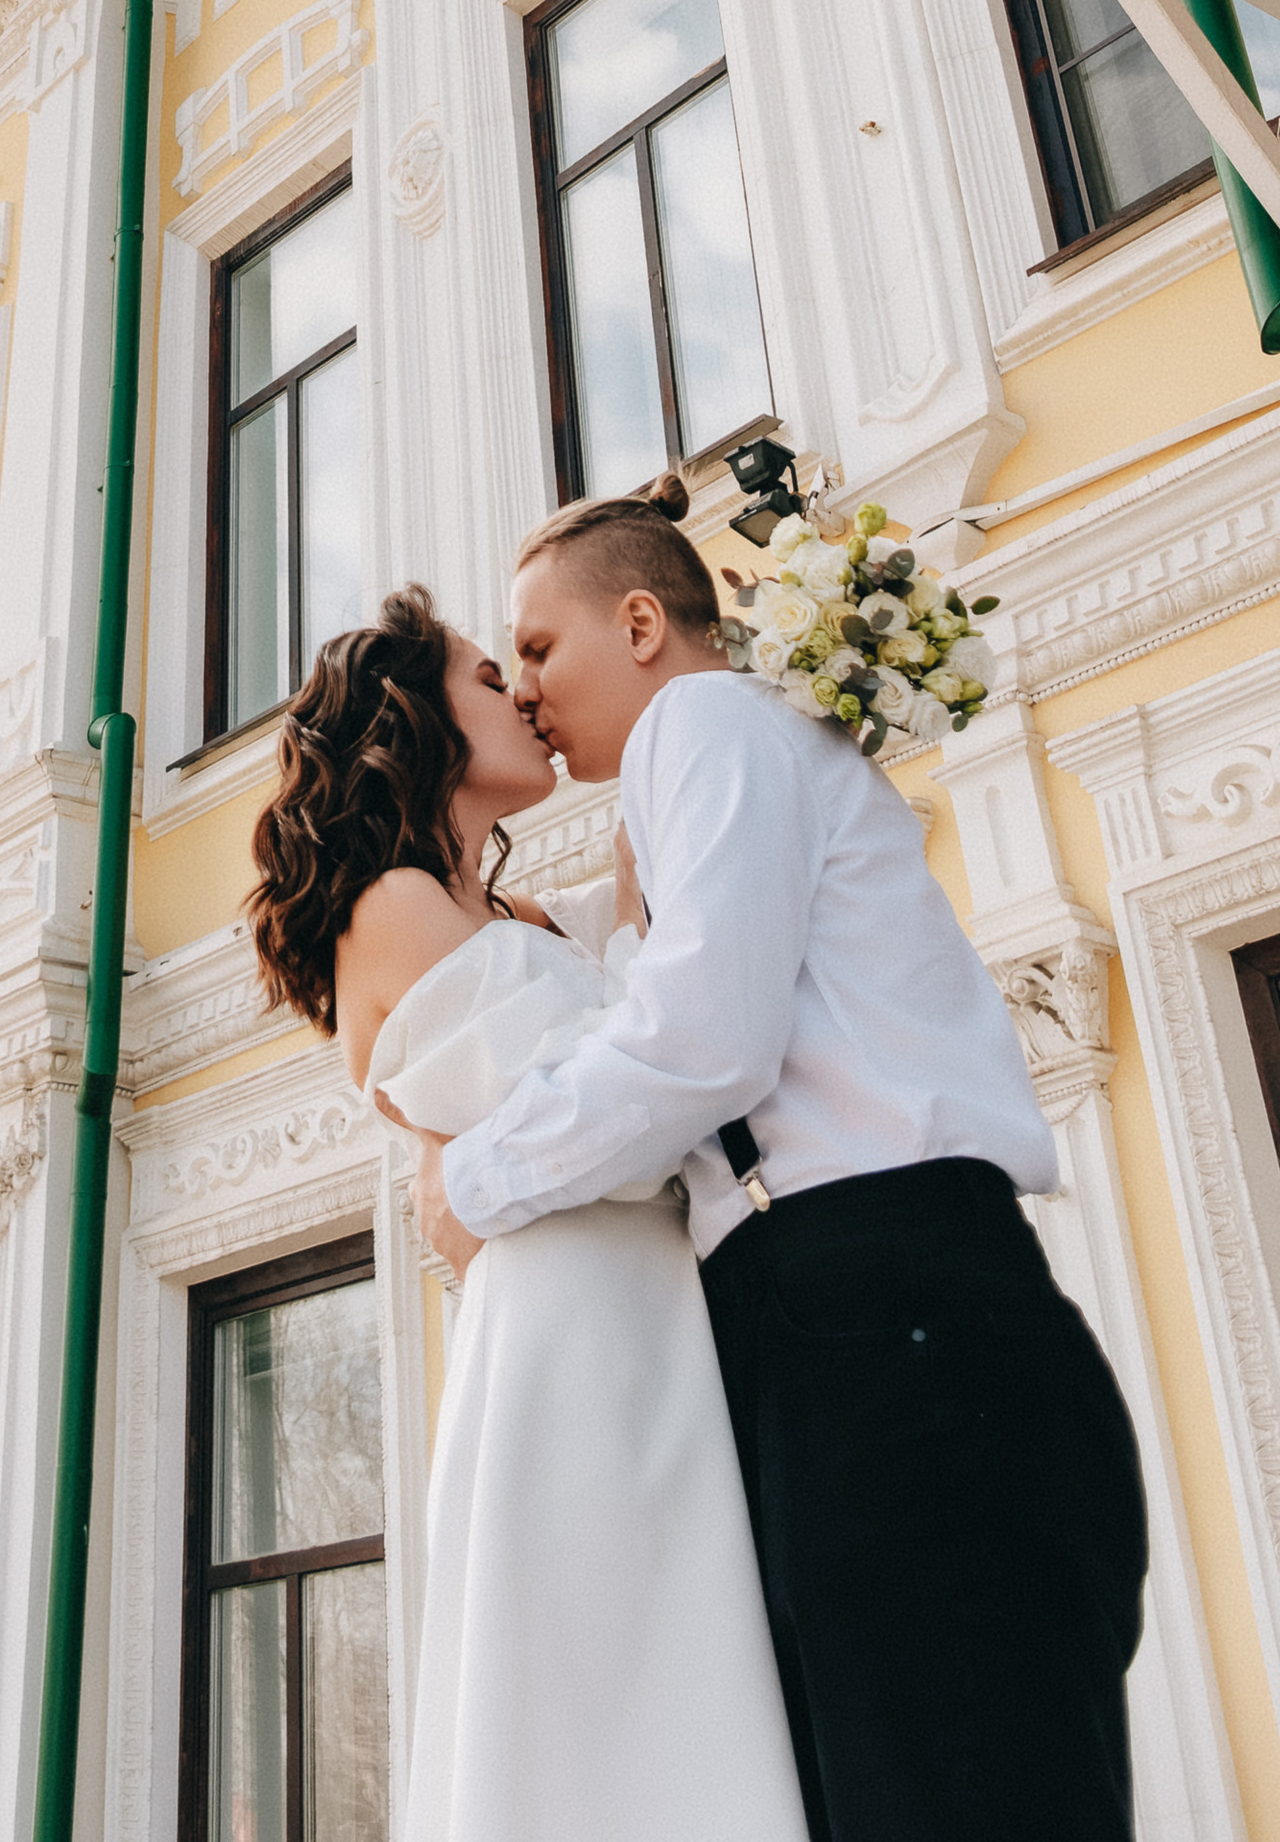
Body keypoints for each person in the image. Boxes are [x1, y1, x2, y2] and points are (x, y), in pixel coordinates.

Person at [404, 480, 1148, 1842]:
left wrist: (476, 1180)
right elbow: (625, 982)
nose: (523, 688)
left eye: (541, 649)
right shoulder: (699, 787)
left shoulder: (708, 720)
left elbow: (702, 1038)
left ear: (642, 624)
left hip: (887, 1312)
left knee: (950, 1789)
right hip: (855, 1317)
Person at [247, 581, 809, 1842]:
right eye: (488, 678)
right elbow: (619, 1135)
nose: (525, 695)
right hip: (576, 1331)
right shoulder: (391, 907)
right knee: (611, 1684)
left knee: (688, 1657)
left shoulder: (525, 915)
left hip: (657, 1306)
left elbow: (658, 1044)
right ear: (411, 721)